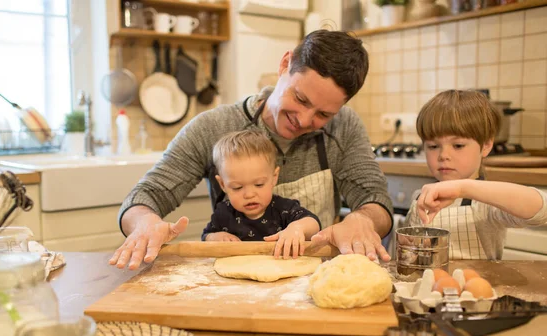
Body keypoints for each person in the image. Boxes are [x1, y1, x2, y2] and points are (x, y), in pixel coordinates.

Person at [110, 29, 394, 270]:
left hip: (315, 279)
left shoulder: (344, 127)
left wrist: (363, 219)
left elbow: (376, 200)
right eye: (301, 99)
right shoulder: (214, 127)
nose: (305, 121)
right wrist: (145, 221)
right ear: (285, 64)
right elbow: (147, 195)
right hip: (237, 284)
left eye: (323, 115)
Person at [404, 90, 547, 260]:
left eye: (457, 145)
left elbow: (542, 210)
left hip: (477, 284)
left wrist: (463, 188)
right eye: (433, 146)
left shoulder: (485, 204)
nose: (443, 155)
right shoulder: (420, 198)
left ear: (486, 145)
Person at [203, 129, 321, 259]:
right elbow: (206, 235)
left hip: (280, 271)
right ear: (223, 185)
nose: (249, 194)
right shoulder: (223, 213)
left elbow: (313, 223)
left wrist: (297, 228)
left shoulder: (284, 209)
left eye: (259, 184)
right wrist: (215, 237)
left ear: (274, 177)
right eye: (237, 187)